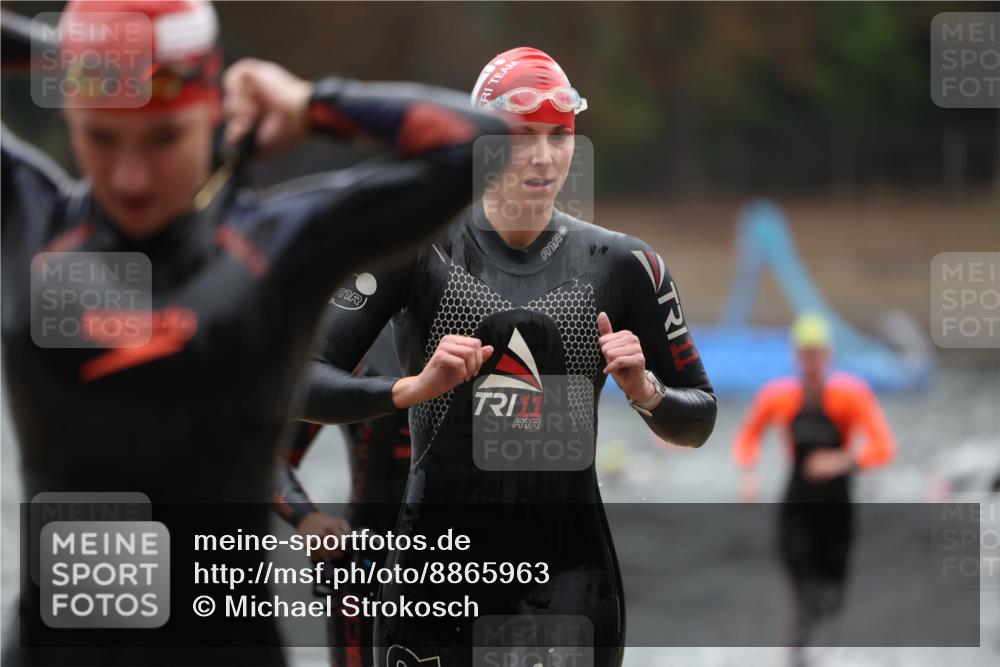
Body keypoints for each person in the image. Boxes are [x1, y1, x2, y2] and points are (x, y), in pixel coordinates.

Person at [1, 2, 506, 664]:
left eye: (162, 139)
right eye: (100, 138)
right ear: (69, 115)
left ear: (212, 111)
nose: (130, 176)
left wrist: (311, 104)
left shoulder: (277, 248)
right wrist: (70, 48)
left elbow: (477, 145)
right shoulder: (29, 222)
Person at [296, 47, 716, 666]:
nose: (544, 158)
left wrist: (646, 392)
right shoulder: (413, 249)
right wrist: (409, 389)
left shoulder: (629, 266)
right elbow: (299, 383)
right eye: (522, 137)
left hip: (571, 580)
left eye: (559, 136)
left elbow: (700, 417)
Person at [733, 313, 896, 655]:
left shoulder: (849, 396)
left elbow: (884, 447)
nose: (811, 363)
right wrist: (749, 473)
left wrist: (843, 460)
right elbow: (748, 436)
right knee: (799, 572)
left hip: (837, 505)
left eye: (817, 355)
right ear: (795, 357)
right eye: (805, 355)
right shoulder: (779, 396)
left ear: (829, 356)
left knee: (832, 592)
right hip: (798, 501)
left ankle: (814, 641)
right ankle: (797, 648)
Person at [274, 326, 411, 667]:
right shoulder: (360, 350)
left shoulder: (489, 336)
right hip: (367, 561)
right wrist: (306, 517)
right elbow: (265, 454)